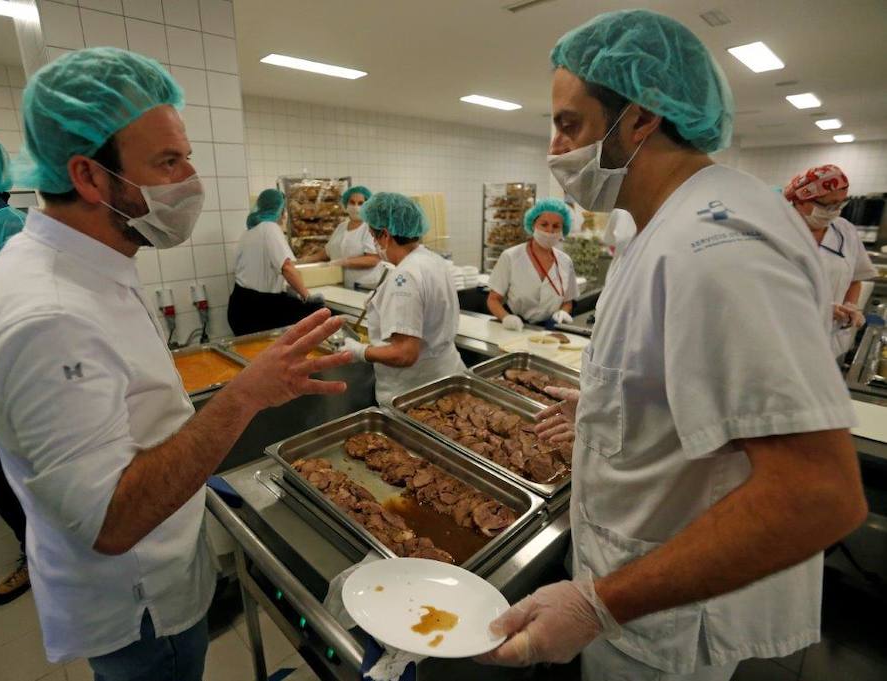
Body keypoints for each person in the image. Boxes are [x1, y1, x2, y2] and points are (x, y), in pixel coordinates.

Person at [480, 11, 866, 680]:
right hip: (639, 608)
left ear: (640, 118)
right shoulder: (659, 227)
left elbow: (817, 492)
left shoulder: (718, 246)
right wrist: (611, 409)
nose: (555, 146)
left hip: (662, 627)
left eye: (569, 124)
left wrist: (598, 604)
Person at [0, 47, 351, 680]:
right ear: (90, 177)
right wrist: (244, 396)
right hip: (141, 606)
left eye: (186, 157)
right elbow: (112, 519)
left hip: (164, 565)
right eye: (167, 161)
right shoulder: (48, 315)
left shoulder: (93, 262)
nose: (191, 180)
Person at [341, 192, 465, 406]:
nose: (374, 243)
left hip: (415, 394)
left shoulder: (405, 275)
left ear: (386, 235)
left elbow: (405, 354)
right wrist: (382, 301)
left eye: (373, 235)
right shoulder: (433, 260)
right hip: (447, 376)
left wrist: (360, 351)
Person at [0, 135, 30, 605]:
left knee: (3, 471)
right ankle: (34, 552)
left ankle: (35, 550)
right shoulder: (8, 225)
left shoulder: (5, 225)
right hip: (4, 375)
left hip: (3, 374)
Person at [784, 164, 877, 357]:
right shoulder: (776, 230)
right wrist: (819, 309)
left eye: (840, 204)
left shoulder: (846, 230)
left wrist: (851, 306)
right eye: (828, 205)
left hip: (830, 340)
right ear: (801, 200)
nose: (835, 211)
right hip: (786, 337)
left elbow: (855, 278)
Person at [227, 188, 326, 335]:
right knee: (316, 314)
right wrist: (307, 297)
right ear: (279, 210)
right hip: (258, 310)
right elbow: (287, 268)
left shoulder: (248, 232)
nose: (285, 215)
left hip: (240, 306)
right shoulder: (269, 227)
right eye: (284, 210)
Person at [487, 197, 578, 329]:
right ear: (533, 224)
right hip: (517, 328)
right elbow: (493, 299)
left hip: (550, 330)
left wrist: (563, 312)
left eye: (556, 226)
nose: (550, 231)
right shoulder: (511, 257)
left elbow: (568, 301)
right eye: (544, 224)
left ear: (563, 230)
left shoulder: (565, 261)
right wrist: (506, 318)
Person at [300, 184, 384, 289]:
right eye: (352, 202)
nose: (356, 207)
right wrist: (307, 260)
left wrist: (344, 262)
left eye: (360, 203)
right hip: (342, 283)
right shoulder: (342, 226)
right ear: (346, 204)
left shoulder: (369, 228)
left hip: (365, 285)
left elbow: (373, 259)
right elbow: (328, 251)